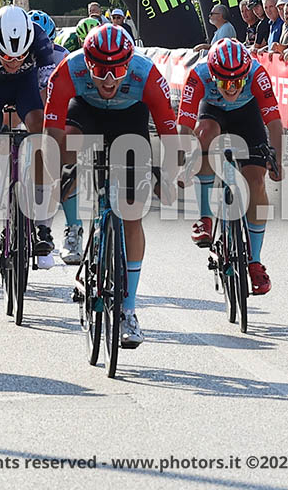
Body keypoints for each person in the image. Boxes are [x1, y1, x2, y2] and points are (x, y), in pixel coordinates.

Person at [45, 24, 177, 347]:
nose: (107, 80)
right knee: (68, 146)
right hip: (85, 112)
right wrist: (57, 172)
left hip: (129, 117)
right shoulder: (68, 70)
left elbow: (170, 135)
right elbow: (52, 135)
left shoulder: (146, 74)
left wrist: (168, 175)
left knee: (132, 214)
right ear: (87, 63)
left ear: (128, 65)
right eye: (100, 71)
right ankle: (76, 204)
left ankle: (128, 310)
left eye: (117, 71)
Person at [181, 39, 284, 294]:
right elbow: (184, 125)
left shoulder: (257, 73)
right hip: (212, 112)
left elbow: (274, 122)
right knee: (204, 136)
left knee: (256, 182)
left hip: (247, 116)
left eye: (238, 81)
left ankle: (255, 261)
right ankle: (205, 218)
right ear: (213, 75)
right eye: (225, 82)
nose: (232, 87)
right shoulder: (198, 74)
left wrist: (277, 162)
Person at [0, 5, 64, 275]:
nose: (13, 62)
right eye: (6, 56)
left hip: (27, 87)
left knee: (41, 135)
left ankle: (43, 227)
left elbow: (47, 93)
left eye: (20, 56)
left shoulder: (41, 40)